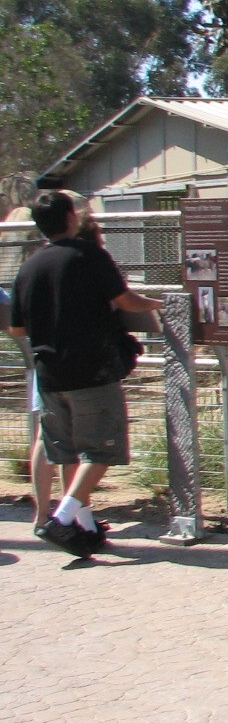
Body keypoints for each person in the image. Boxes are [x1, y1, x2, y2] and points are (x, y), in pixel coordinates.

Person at [7, 191, 163, 558]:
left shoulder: (29, 266)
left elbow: (16, 328)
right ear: (70, 219)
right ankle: (61, 519)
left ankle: (82, 526)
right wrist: (163, 303)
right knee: (101, 450)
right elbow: (126, 301)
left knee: (64, 451)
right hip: (92, 372)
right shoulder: (89, 255)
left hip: (49, 376)